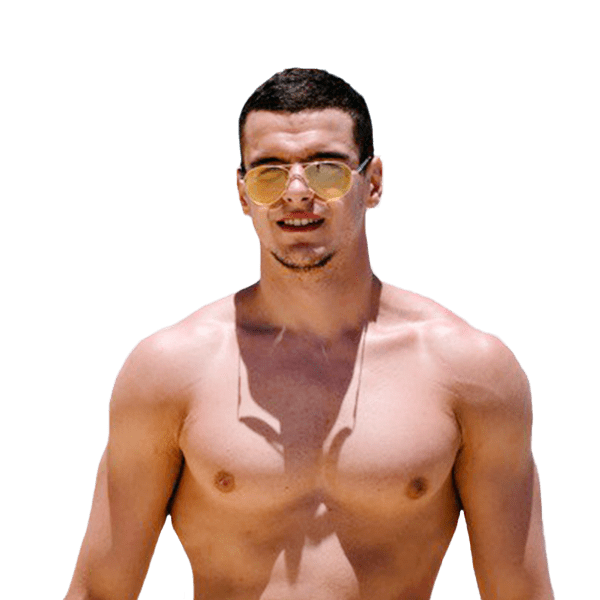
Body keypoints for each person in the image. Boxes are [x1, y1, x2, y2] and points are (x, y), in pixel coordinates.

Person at [64, 68, 555, 600]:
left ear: (373, 182)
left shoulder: (469, 369)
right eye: (269, 172)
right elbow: (99, 590)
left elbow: (521, 593)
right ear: (243, 193)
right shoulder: (170, 367)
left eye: (326, 169)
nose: (296, 193)